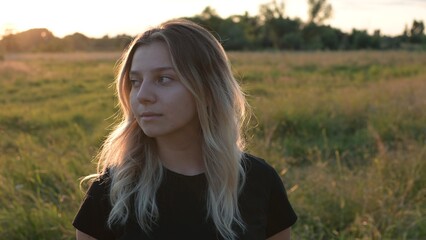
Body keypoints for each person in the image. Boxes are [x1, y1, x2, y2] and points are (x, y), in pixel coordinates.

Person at [73, 18, 297, 240]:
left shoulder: (259, 181)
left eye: (163, 79)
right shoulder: (112, 191)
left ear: (208, 88)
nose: (142, 96)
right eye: (135, 81)